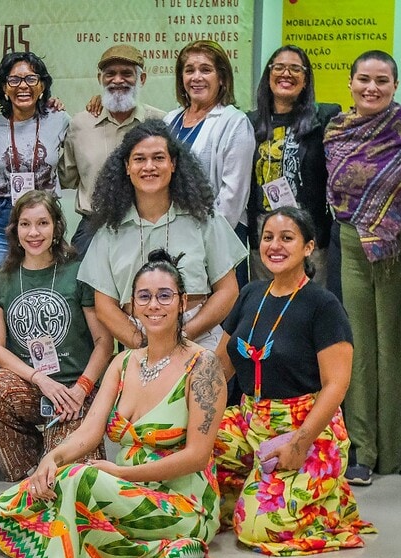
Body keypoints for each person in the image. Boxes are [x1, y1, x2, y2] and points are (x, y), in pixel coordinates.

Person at [0, 249, 226, 558]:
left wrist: (122, 474)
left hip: (182, 507)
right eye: (144, 297)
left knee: (80, 477)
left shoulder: (202, 366)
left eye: (165, 296)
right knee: (63, 474)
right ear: (131, 307)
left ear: (183, 302)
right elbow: (89, 431)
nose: (154, 305)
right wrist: (51, 459)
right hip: (127, 495)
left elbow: (197, 456)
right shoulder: (124, 362)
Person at [213, 206, 375, 554]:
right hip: (248, 420)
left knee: (256, 528)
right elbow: (219, 368)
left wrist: (301, 442)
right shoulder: (250, 294)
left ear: (308, 247)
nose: (275, 246)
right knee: (197, 448)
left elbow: (336, 384)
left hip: (305, 427)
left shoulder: (323, 305)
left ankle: (328, 505)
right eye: (268, 238)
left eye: (287, 238)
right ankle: (250, 489)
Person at [0, 190, 112, 481]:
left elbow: (104, 343)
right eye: (25, 224)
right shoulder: (0, 279)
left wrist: (81, 389)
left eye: (42, 223)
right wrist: (40, 379)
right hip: (32, 386)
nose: (34, 232)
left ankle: (57, 444)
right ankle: (29, 454)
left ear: (56, 227)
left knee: (71, 479)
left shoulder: (79, 272)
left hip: (74, 391)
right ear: (15, 230)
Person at [323, 50, 401, 485]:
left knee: (392, 350)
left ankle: (394, 455)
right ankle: (362, 450)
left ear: (395, 86)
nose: (372, 88)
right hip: (349, 243)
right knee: (357, 349)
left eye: (382, 80)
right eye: (364, 78)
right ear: (350, 82)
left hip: (397, 247)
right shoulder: (335, 131)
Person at [79, 119, 244, 351]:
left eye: (158, 158)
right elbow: (104, 305)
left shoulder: (204, 219)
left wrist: (182, 335)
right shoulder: (110, 230)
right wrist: (143, 343)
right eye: (139, 159)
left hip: (198, 336)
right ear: (126, 166)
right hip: (137, 339)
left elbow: (228, 291)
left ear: (173, 163)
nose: (149, 166)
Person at [247, 45, 342, 293]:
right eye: (278, 67)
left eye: (295, 69)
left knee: (310, 308)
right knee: (267, 304)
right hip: (264, 233)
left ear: (306, 78)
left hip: (309, 234)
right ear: (268, 75)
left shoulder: (325, 118)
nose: (286, 73)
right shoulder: (250, 122)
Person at [162, 40, 254, 285]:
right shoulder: (170, 120)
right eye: (189, 70)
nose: (196, 77)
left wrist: (204, 243)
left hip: (220, 239)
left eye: (206, 69)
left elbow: (233, 195)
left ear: (222, 78)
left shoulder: (234, 122)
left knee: (220, 319)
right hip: (172, 236)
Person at [60, 44, 165, 256]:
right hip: (93, 228)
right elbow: (67, 178)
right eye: (110, 74)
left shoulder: (160, 123)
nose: (117, 80)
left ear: (142, 79)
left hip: (148, 226)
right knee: (83, 288)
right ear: (100, 79)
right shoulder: (80, 124)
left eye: (127, 73)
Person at [0, 51, 69, 287]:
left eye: (31, 79)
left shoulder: (60, 119)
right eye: (14, 80)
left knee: (42, 296)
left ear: (42, 86)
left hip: (44, 219)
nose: (23, 86)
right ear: (4, 89)